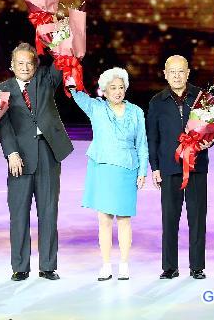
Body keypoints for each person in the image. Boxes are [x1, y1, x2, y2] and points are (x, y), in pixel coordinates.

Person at [0, 43, 74, 281]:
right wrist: (11, 153)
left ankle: (48, 266)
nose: (25, 67)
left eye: (29, 62)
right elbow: (4, 126)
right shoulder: (2, 90)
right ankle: (20, 267)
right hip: (19, 157)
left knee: (49, 211)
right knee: (19, 214)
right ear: (12, 65)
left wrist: (56, 37)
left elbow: (62, 60)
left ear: (36, 65)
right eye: (20, 63)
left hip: (48, 152)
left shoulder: (45, 80)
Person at [70, 67, 148, 281]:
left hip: (127, 168)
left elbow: (142, 143)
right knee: (104, 219)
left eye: (121, 87)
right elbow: (75, 91)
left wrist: (143, 171)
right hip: (103, 168)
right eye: (112, 87)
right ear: (104, 90)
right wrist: (69, 66)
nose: (117, 91)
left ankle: (124, 264)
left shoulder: (136, 112)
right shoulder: (95, 107)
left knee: (124, 219)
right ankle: (106, 265)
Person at [147, 55, 211, 280]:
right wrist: (154, 167)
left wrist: (209, 141)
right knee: (170, 218)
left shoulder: (202, 98)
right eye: (172, 72)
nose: (176, 76)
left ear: (188, 73)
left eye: (180, 71)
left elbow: (212, 130)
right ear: (165, 74)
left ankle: (197, 267)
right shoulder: (157, 101)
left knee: (197, 217)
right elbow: (152, 138)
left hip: (196, 166)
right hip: (169, 166)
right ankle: (170, 266)